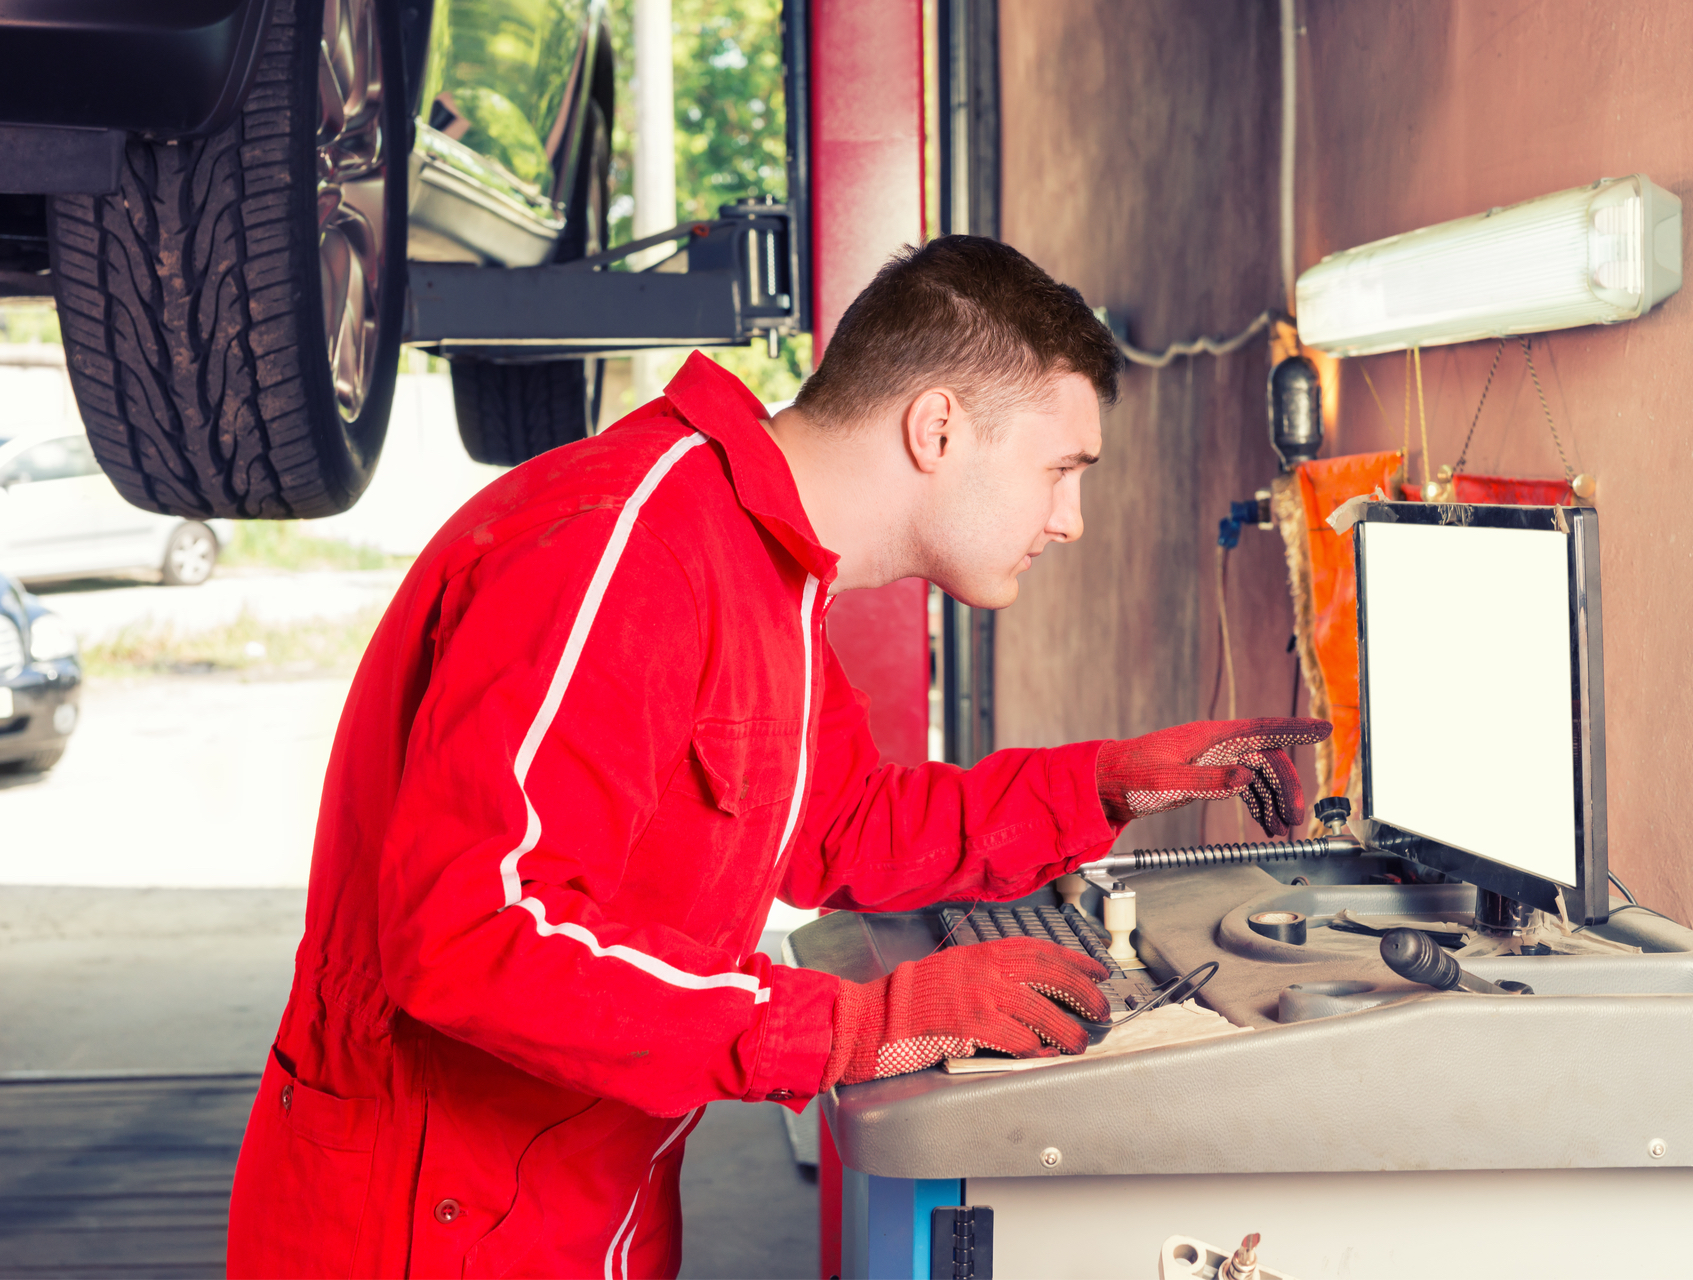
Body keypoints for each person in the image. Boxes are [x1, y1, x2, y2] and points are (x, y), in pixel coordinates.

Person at [226, 236, 1329, 1278]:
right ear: (937, 428)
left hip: (582, 1191)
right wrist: (857, 1023)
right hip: (437, 1220)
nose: (1072, 517)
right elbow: (474, 932)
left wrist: (1103, 782)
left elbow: (844, 823)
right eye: (1061, 467)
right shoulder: (629, 546)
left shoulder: (766, 572)